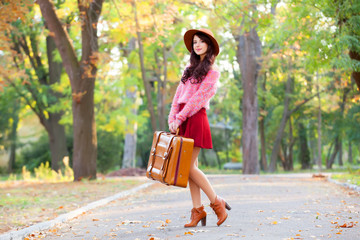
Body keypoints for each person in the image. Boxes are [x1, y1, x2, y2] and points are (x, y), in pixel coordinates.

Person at [168, 28, 231, 228]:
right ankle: (198, 210)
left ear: (209, 45)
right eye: (195, 42)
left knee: (187, 167)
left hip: (195, 118)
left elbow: (197, 99)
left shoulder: (213, 73)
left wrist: (180, 117)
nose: (197, 44)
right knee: (189, 169)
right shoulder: (187, 71)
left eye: (201, 41)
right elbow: (177, 98)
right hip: (183, 120)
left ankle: (215, 202)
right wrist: (173, 118)